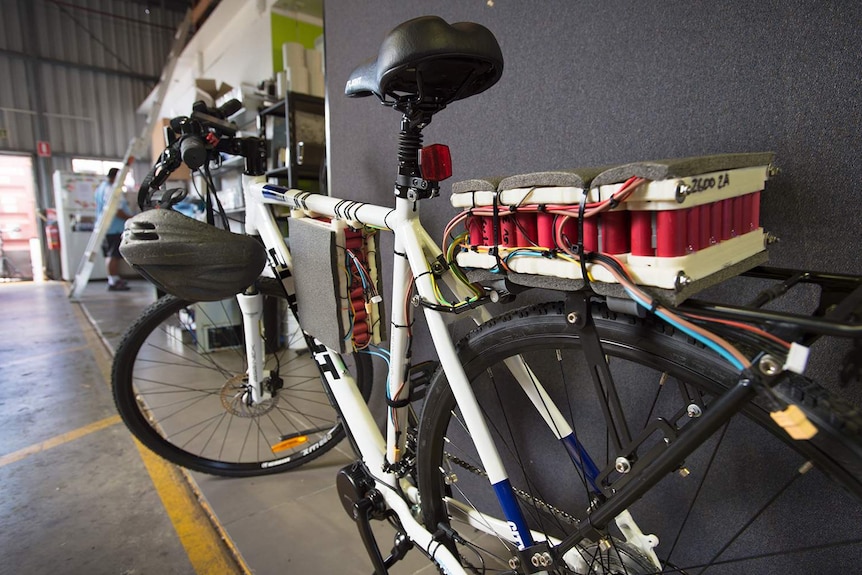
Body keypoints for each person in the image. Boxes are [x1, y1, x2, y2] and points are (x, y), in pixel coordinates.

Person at [94, 167, 133, 291]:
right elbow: (117, 211)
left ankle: (114, 278)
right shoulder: (111, 190)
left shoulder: (102, 187)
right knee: (113, 255)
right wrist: (132, 218)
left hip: (107, 226)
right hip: (113, 227)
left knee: (111, 254)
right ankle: (113, 281)